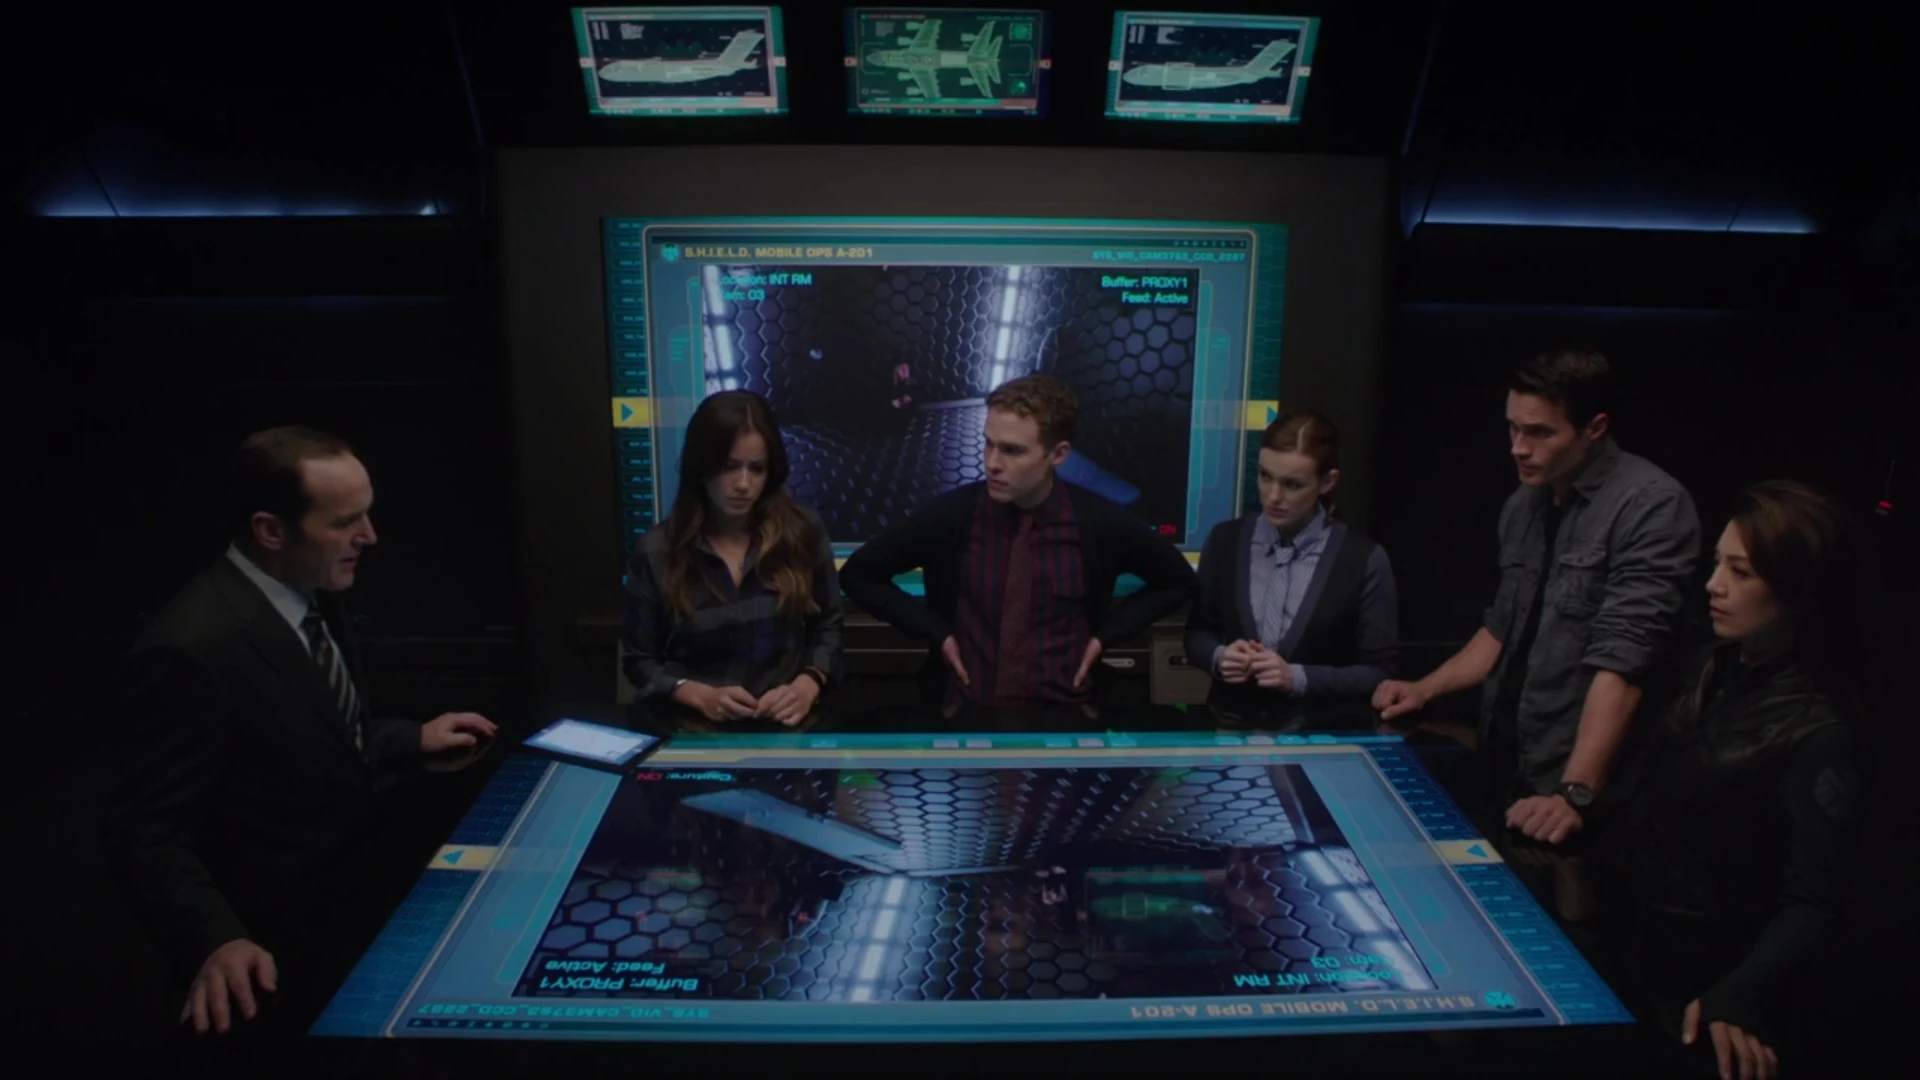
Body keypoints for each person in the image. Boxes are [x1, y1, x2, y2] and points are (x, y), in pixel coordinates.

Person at [108, 427, 498, 1041]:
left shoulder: (312, 591)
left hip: (350, 913)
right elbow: (148, 830)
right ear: (271, 530)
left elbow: (302, 730)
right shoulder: (190, 648)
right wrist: (216, 940)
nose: (370, 536)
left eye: (367, 513)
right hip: (273, 953)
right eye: (346, 522)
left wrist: (409, 739)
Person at [1372, 349, 1701, 851]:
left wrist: (1575, 793)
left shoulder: (1651, 506)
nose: (1519, 448)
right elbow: (1502, 625)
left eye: (1540, 433)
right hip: (1509, 761)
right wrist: (1425, 688)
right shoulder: (1523, 505)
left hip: (1591, 788)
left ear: (1595, 428)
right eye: (1513, 428)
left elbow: (1624, 662)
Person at [1601, 481, 1869, 1080]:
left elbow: (1814, 903)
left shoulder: (1825, 730)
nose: (1713, 584)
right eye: (1717, 563)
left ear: (1800, 589)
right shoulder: (1713, 663)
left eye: (1740, 572)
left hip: (1708, 980)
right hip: (1637, 948)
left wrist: (1743, 994)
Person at [841, 374, 1195, 716]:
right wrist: (937, 633)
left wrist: (1105, 637)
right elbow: (859, 574)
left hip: (1067, 718)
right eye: (988, 443)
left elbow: (1178, 581)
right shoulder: (950, 516)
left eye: (1012, 451)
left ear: (1057, 454)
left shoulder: (1100, 522)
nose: (992, 463)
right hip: (964, 716)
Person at [623, 390, 843, 729]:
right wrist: (696, 694)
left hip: (786, 729)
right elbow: (639, 660)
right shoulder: (657, 549)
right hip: (694, 733)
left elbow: (828, 628)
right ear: (702, 468)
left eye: (757, 469)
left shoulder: (802, 532)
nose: (743, 484)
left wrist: (807, 684)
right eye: (729, 467)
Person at [1185, 409, 1398, 718]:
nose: (1273, 496)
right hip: (1233, 726)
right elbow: (1198, 633)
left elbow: (1379, 672)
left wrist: (1298, 678)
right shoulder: (1225, 541)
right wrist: (1219, 656)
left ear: (1327, 482)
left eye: (1292, 484)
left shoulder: (1363, 559)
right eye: (1265, 476)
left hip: (1319, 732)